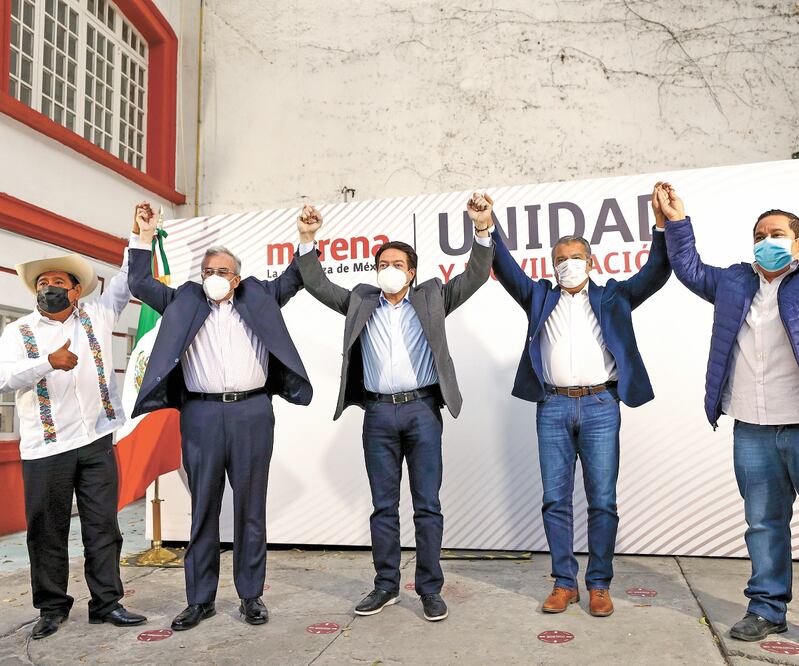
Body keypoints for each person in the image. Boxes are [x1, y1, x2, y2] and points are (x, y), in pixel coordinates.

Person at [294, 194, 494, 621]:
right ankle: (385, 585)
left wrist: (481, 228)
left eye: (397, 264)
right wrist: (308, 238)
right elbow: (317, 284)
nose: (388, 269)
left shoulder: (432, 296)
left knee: (427, 506)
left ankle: (429, 590)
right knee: (383, 507)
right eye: (382, 264)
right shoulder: (361, 301)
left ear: (411, 272)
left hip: (423, 410)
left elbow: (477, 275)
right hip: (379, 415)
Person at [489, 185, 671, 617]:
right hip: (552, 406)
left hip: (600, 405)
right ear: (552, 266)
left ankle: (599, 585)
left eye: (575, 258)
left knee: (602, 500)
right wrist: (486, 227)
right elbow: (505, 266)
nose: (567, 264)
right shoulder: (539, 296)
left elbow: (656, 271)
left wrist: (662, 226)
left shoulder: (614, 296)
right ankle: (563, 583)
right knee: (555, 500)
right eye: (560, 259)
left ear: (591, 263)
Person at [128, 208, 312, 631]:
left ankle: (251, 597)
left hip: (252, 412)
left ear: (236, 278)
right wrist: (144, 236)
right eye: (208, 270)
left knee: (250, 508)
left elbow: (296, 277)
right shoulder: (184, 299)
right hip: (201, 414)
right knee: (203, 509)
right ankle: (200, 600)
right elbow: (139, 283)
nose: (213, 276)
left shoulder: (259, 295)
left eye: (222, 271)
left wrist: (305, 238)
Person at [0, 204, 153, 639]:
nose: (48, 288)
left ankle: (106, 603)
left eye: (57, 283)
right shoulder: (19, 332)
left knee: (103, 527)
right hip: (46, 449)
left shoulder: (99, 315)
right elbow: (3, 377)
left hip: (97, 440)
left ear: (76, 291)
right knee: (47, 531)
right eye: (42, 284)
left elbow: (126, 279)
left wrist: (141, 235)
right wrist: (46, 362)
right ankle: (52, 608)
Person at [659, 184, 799, 641]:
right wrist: (676, 221)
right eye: (759, 235)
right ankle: (767, 609)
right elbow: (689, 268)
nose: (766, 241)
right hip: (752, 427)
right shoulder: (736, 282)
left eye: (777, 234)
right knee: (763, 524)